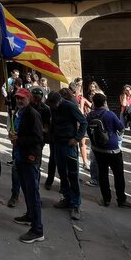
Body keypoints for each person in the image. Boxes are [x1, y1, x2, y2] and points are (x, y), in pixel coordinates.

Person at [88, 93, 131, 209]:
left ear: (93, 103)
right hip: (113, 150)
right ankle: (121, 199)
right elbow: (120, 127)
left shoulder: (90, 115)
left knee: (103, 175)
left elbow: (88, 130)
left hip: (98, 150)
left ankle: (106, 199)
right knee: (118, 175)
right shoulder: (110, 115)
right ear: (105, 103)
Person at [9, 87, 44, 243]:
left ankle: (37, 230)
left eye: (22, 98)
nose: (19, 100)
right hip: (20, 156)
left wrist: (19, 140)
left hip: (30, 158)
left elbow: (38, 138)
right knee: (26, 189)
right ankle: (30, 215)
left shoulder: (33, 114)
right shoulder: (20, 112)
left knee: (32, 192)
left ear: (29, 98)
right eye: (17, 98)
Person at [46, 91, 85, 220]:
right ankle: (67, 198)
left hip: (69, 144)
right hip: (57, 143)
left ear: (59, 101)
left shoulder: (70, 106)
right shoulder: (52, 108)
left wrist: (77, 138)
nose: (53, 107)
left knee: (72, 174)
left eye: (54, 105)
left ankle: (75, 204)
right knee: (62, 173)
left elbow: (83, 122)